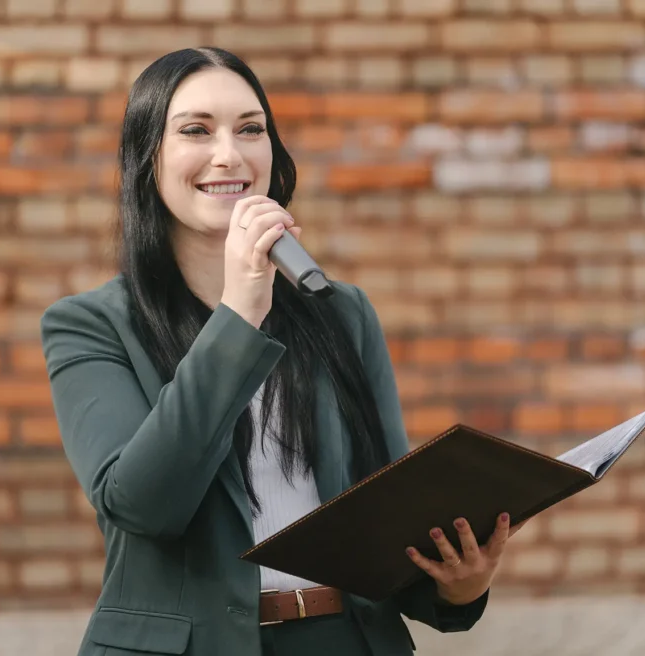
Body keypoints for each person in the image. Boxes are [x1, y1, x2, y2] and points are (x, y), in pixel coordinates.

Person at [41, 47, 520, 656]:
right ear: (147, 158)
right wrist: (239, 315)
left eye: (250, 129)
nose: (229, 154)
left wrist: (457, 586)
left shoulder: (340, 312)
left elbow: (384, 514)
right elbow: (143, 505)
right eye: (195, 131)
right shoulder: (91, 325)